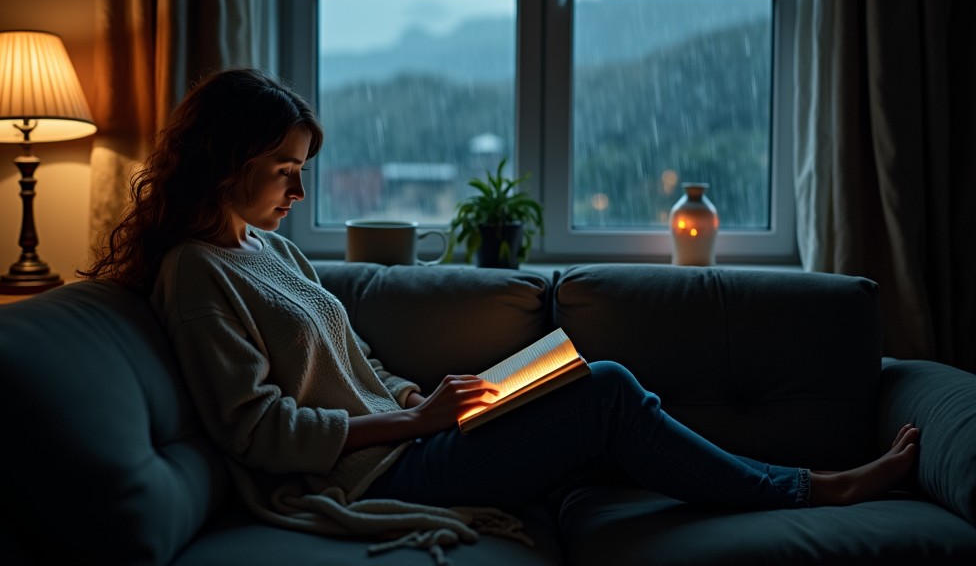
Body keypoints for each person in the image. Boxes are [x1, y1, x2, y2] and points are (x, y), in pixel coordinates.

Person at [82, 68, 919, 546]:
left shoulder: (267, 248)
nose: (300, 189)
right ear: (225, 163)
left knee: (563, 374)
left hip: (410, 434)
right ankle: (813, 490)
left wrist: (419, 396)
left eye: (302, 168)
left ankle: (787, 483)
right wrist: (413, 428)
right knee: (608, 388)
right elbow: (260, 432)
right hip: (380, 469)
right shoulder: (197, 275)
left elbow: (355, 361)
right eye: (282, 168)